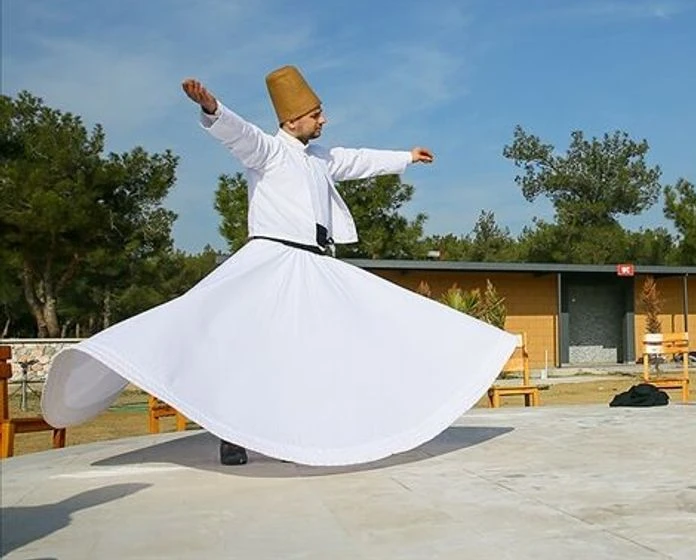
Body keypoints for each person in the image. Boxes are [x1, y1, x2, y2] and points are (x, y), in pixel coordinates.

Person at [43, 66, 517, 465]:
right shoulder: (268, 153)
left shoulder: (320, 159)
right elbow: (240, 135)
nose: (323, 120)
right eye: (315, 115)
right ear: (291, 121)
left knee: (323, 346)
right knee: (248, 348)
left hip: (312, 266)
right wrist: (212, 109)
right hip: (271, 262)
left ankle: (309, 431)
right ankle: (232, 433)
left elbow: (357, 160)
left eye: (321, 112)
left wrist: (405, 157)